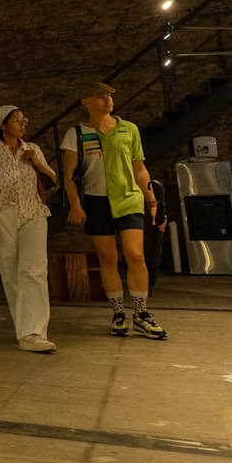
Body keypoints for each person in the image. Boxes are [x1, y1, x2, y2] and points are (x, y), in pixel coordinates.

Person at [60, 83, 167, 339]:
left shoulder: (128, 129)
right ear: (85, 101)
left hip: (128, 199)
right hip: (96, 202)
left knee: (135, 255)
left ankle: (141, 313)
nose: (107, 100)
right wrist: (75, 205)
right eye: (100, 96)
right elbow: (69, 175)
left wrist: (153, 202)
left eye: (109, 96)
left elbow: (140, 169)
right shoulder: (77, 133)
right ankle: (118, 313)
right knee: (107, 258)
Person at [0, 105, 58, 352]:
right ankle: (25, 332)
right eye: (17, 120)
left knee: (35, 271)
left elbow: (53, 179)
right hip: (3, 215)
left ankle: (35, 332)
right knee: (11, 274)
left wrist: (36, 162)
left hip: (33, 212)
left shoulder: (32, 149)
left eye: (24, 120)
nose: (23, 124)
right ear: (3, 125)